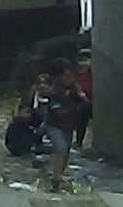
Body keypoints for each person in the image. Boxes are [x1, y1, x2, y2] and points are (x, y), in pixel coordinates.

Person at [32, 58, 89, 192]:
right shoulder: (55, 92)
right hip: (54, 126)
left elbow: (85, 101)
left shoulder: (74, 88)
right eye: (67, 76)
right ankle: (56, 178)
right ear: (58, 78)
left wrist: (81, 100)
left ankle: (58, 176)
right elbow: (59, 114)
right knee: (61, 148)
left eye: (71, 76)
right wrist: (77, 108)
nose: (70, 79)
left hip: (68, 126)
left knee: (66, 151)